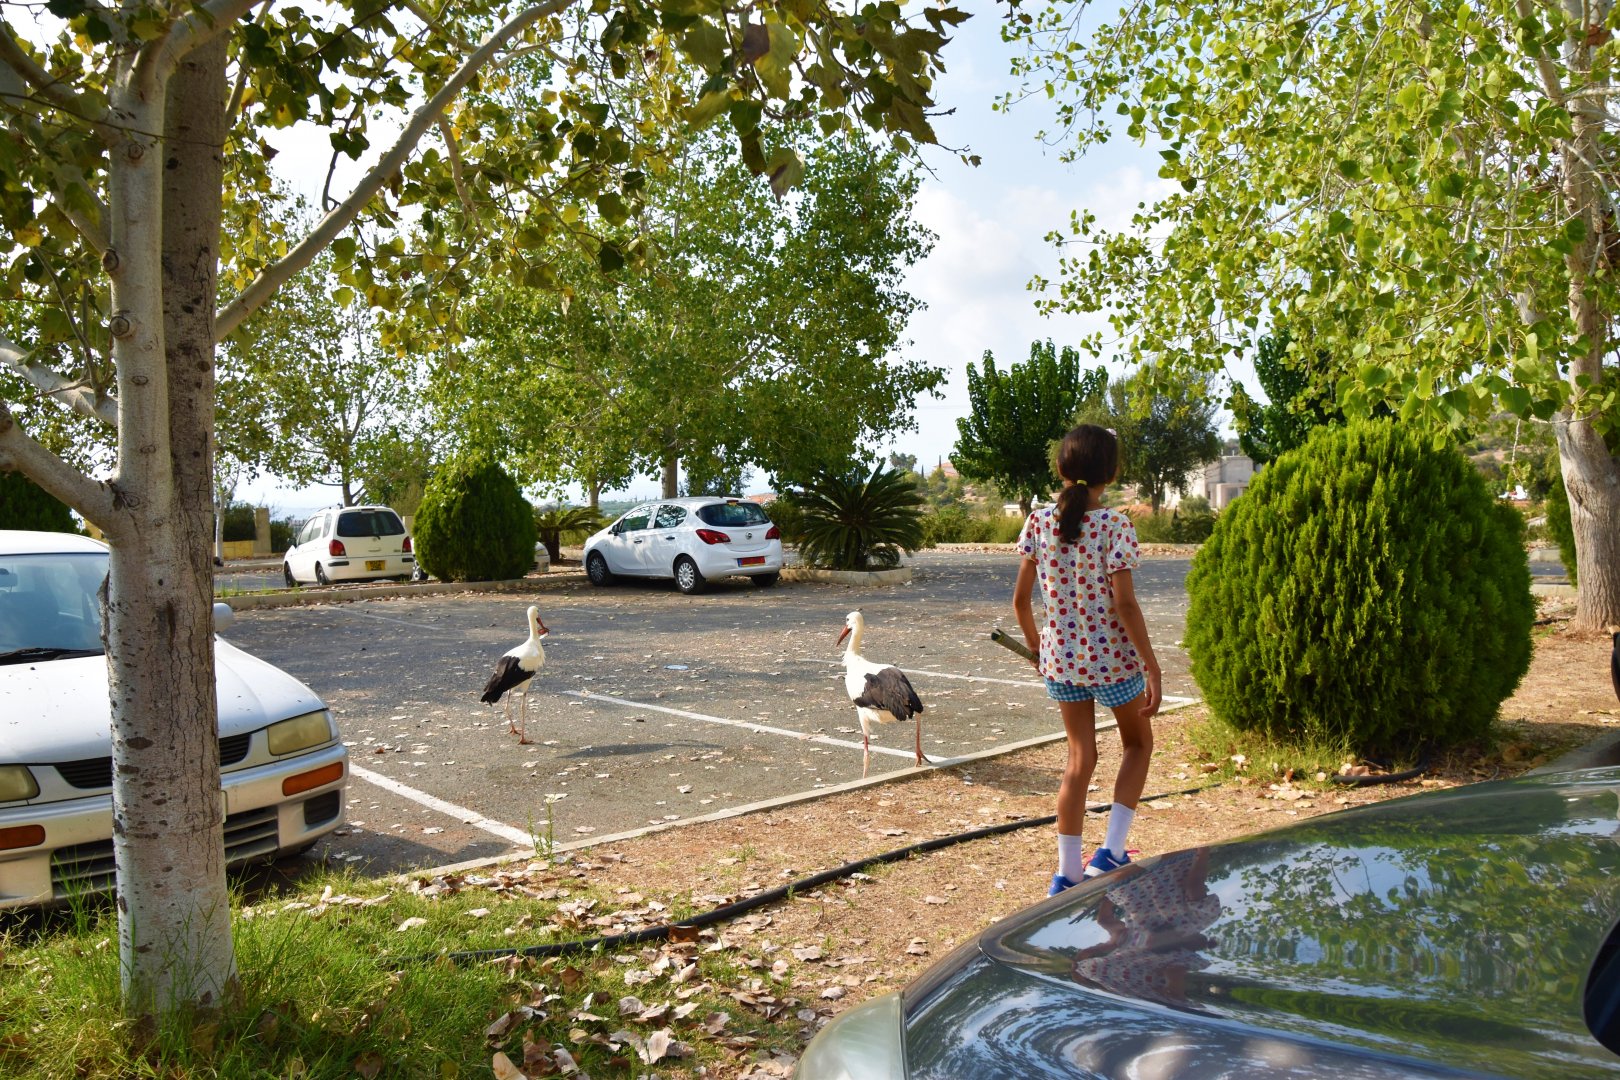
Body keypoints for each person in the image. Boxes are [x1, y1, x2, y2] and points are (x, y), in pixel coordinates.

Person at [1013, 423, 1163, 895]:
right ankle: (1112, 850)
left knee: (1080, 759)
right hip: (1114, 662)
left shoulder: (1037, 523)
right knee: (1137, 745)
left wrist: (1037, 647)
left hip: (1061, 662)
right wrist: (1151, 665)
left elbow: (1020, 601)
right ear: (1112, 473)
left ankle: (1067, 874)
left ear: (1061, 468)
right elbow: (1125, 604)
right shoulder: (1116, 525)